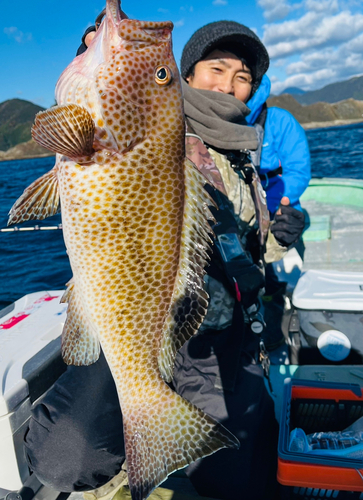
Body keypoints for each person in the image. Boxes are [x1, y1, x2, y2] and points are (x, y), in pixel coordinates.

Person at [24, 18, 309, 500]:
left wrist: (281, 236)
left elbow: (248, 246)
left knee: (240, 478)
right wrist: (103, 61)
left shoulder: (243, 156)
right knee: (65, 457)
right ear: (186, 75)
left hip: (209, 334)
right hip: (138, 316)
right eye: (217, 69)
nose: (230, 84)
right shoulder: (161, 130)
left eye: (244, 77)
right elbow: (91, 127)